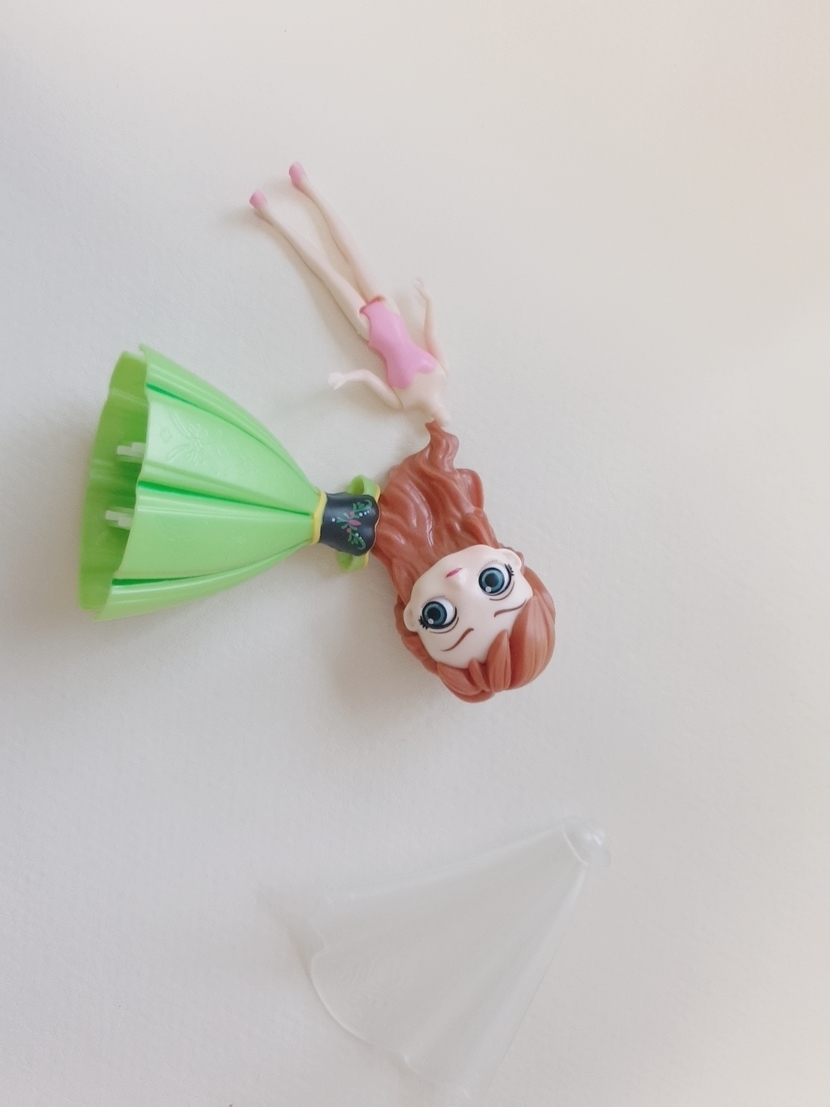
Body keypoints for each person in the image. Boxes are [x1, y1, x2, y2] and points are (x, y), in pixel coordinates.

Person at [250, 164, 450, 426]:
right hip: (391, 312)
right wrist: (429, 300)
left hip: (367, 329)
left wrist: (346, 378)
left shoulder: (402, 402)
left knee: (326, 272)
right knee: (353, 252)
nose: (439, 411)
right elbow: (429, 334)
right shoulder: (441, 373)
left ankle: (268, 214)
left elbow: (368, 377)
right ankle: (306, 185)